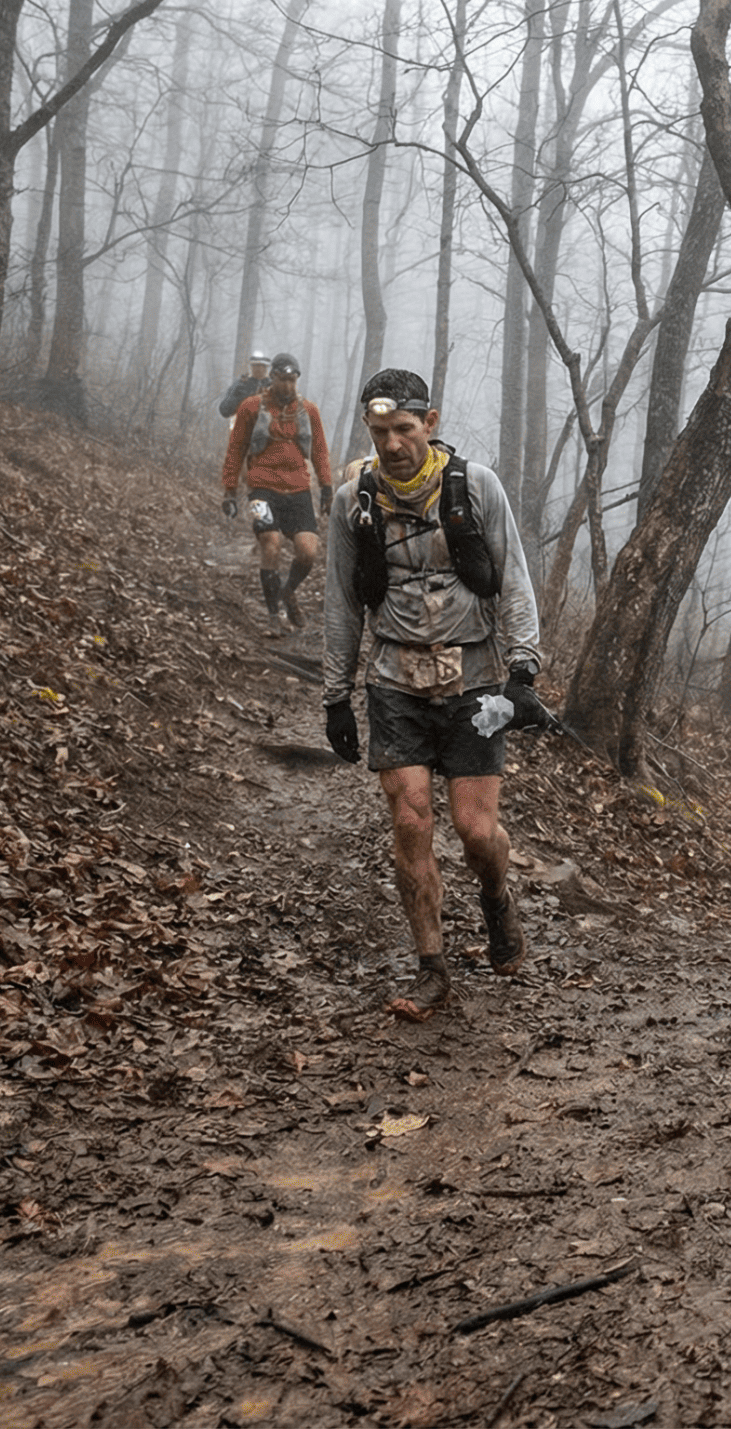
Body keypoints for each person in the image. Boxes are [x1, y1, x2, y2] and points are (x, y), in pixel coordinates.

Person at [320, 368, 545, 1020]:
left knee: (477, 832)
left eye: (404, 429)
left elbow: (517, 581)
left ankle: (496, 894)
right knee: (411, 820)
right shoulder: (351, 501)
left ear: (431, 421)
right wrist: (336, 694)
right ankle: (432, 967)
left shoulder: (475, 488)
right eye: (380, 430)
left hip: (474, 680)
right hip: (394, 680)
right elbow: (340, 601)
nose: (391, 443)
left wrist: (523, 671)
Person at [220, 352, 334, 636]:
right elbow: (236, 449)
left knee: (308, 551)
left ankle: (287, 591)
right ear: (272, 378)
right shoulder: (251, 407)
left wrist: (327, 487)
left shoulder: (308, 410)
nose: (288, 386)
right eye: (282, 379)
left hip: (298, 489)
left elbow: (319, 450)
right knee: (270, 543)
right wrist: (230, 490)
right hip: (261, 487)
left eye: (292, 380)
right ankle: (273, 617)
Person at [218, 351, 272, 419]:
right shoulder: (241, 385)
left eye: (262, 366)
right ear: (251, 367)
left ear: (266, 368)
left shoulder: (272, 386)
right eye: (255, 365)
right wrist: (236, 394)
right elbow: (225, 411)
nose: (259, 369)